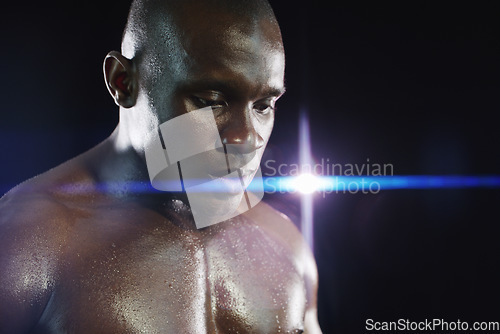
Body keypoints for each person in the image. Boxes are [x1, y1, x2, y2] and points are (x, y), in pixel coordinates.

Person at [0, 0, 321, 332]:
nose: (246, 139)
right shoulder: (27, 247)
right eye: (211, 101)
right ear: (123, 82)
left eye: (263, 105)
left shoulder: (285, 247)